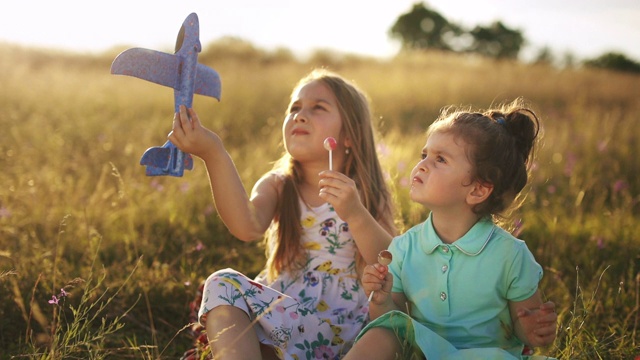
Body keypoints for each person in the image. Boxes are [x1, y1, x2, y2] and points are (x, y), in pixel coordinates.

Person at [170, 69, 397, 360]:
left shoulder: (363, 191)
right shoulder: (278, 185)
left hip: (344, 328)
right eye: (295, 108)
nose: (300, 115)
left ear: (349, 135)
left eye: (318, 108)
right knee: (221, 283)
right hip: (284, 318)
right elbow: (247, 227)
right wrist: (213, 153)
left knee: (384, 336)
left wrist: (355, 213)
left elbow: (389, 261)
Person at [344, 99, 557, 360]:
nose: (421, 165)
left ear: (478, 190)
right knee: (379, 334)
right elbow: (395, 321)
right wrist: (381, 298)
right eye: (424, 155)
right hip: (426, 352)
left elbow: (526, 331)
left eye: (440, 160)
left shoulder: (510, 255)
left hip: (486, 356)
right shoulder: (403, 247)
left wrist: (536, 331)